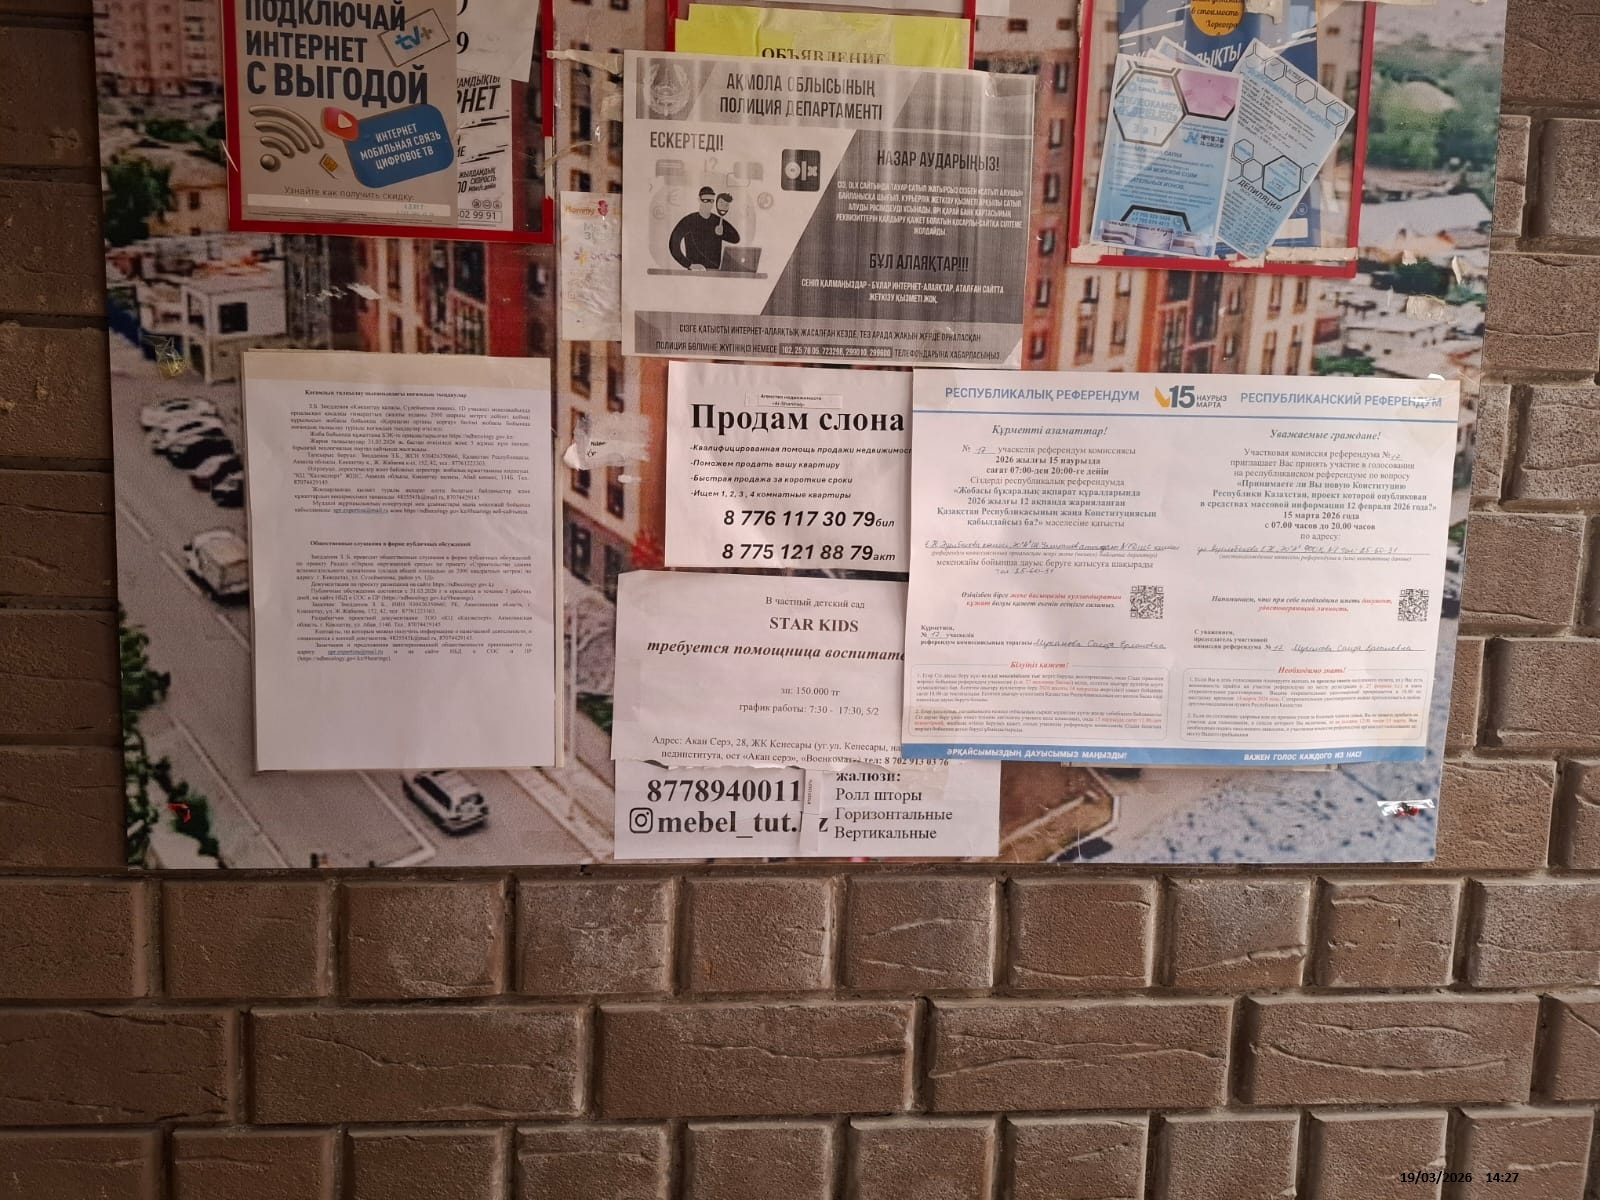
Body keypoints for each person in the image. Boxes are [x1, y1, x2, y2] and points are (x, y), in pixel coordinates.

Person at [668, 186, 724, 271]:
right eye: (706, 200)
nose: (709, 204)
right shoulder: (689, 220)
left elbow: (735, 239)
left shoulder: (717, 220)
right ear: (699, 200)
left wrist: (723, 233)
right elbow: (673, 244)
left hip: (715, 272)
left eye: (712, 201)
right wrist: (688, 264)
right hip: (695, 272)